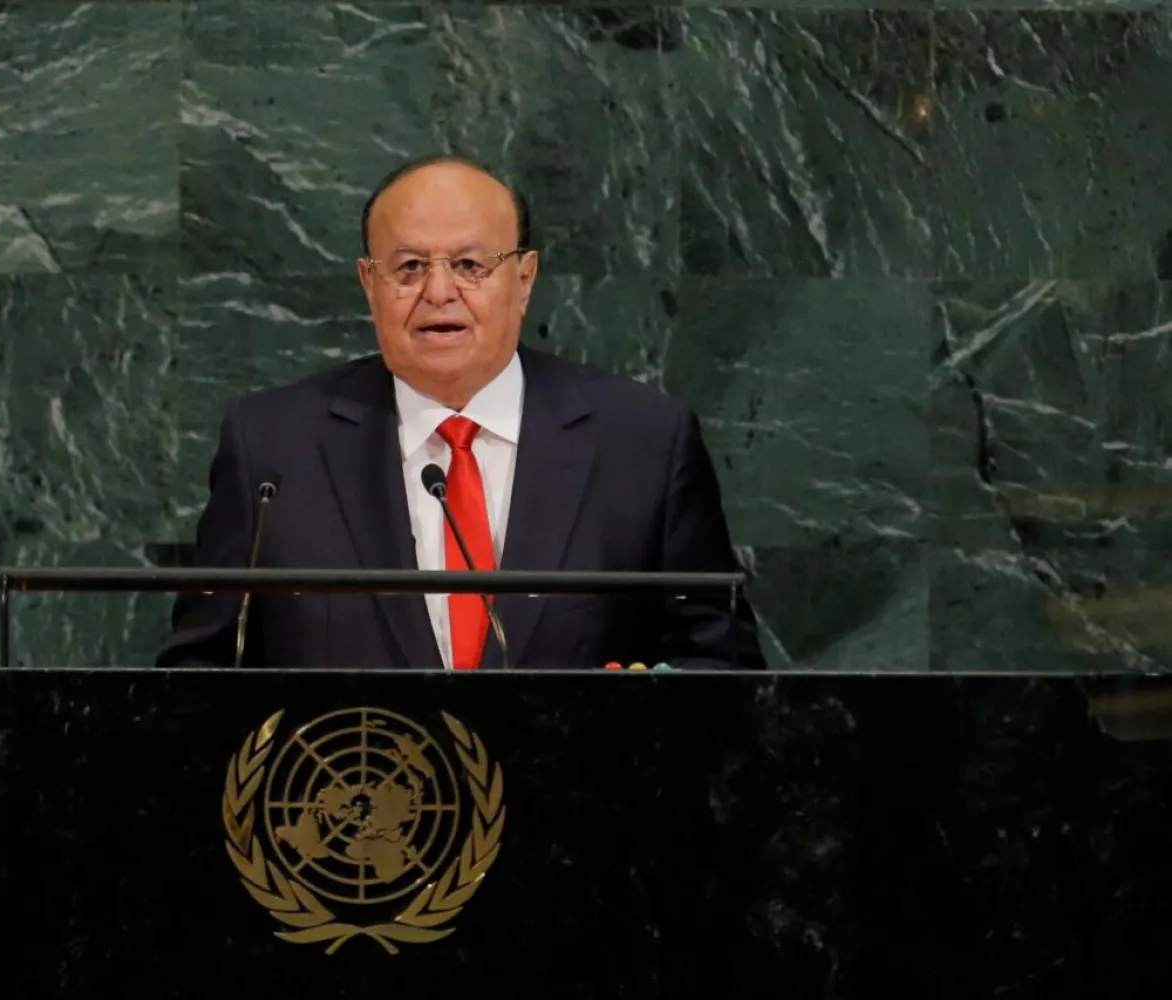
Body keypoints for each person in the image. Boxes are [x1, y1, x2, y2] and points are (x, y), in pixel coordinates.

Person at [158, 155, 764, 670]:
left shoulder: (645, 442)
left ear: (524, 279)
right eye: (409, 267)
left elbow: (719, 664)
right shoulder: (272, 449)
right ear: (369, 284)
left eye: (471, 266)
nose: (439, 292)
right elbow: (198, 674)